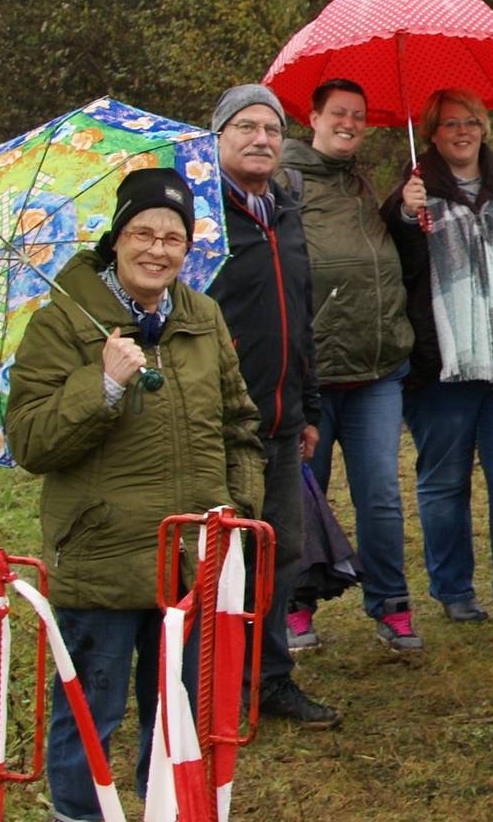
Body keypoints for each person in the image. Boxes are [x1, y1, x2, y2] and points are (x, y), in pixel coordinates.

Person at [6, 168, 266, 822]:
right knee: (90, 711)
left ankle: (166, 809)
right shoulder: (61, 322)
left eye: (173, 236)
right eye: (143, 232)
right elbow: (30, 440)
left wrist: (238, 512)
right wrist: (102, 384)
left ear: (188, 245)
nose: (158, 248)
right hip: (103, 556)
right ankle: (77, 813)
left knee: (177, 710)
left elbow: (240, 424)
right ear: (117, 238)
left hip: (192, 552)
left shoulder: (201, 315)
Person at [385, 87, 493, 629]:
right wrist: (400, 216)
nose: (461, 132)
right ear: (431, 134)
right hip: (443, 360)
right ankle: (453, 589)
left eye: (470, 122)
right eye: (448, 125)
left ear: (483, 127)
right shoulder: (412, 194)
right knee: (444, 480)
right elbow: (393, 268)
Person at [206, 83, 336, 728]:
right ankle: (205, 688)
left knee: (278, 552)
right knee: (215, 558)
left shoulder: (284, 212)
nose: (261, 138)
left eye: (270, 128)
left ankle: (268, 679)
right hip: (215, 424)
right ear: (219, 136)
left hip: (283, 420)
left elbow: (299, 317)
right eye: (245, 127)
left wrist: (308, 407)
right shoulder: (200, 218)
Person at [282, 77, 421, 656]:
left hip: (377, 368)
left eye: (359, 116)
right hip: (314, 373)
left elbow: (378, 253)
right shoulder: (285, 179)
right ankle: (292, 604)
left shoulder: (358, 180)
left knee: (381, 496)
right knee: (299, 495)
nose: (350, 124)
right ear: (312, 117)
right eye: (338, 113)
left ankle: (391, 606)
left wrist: (406, 214)